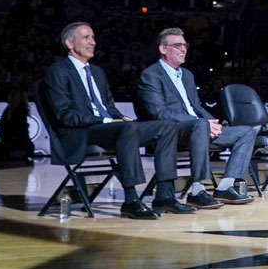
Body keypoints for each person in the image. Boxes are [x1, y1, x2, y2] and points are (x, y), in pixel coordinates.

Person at [44, 22, 181, 219]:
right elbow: (65, 115)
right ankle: (132, 200)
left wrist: (118, 117)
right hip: (82, 132)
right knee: (127, 129)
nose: (93, 42)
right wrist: (107, 121)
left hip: (109, 129)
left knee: (166, 126)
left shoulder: (98, 73)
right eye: (86, 38)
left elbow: (108, 106)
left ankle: (165, 195)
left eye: (93, 37)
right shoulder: (58, 71)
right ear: (69, 43)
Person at [138, 28, 256, 208]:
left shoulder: (187, 75)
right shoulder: (151, 75)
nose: (183, 49)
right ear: (163, 49)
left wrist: (212, 123)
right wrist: (199, 123)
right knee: (200, 124)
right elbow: (158, 112)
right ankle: (198, 190)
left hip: (199, 127)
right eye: (177, 45)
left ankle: (225, 187)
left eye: (184, 45)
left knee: (246, 132)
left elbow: (196, 107)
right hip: (173, 131)